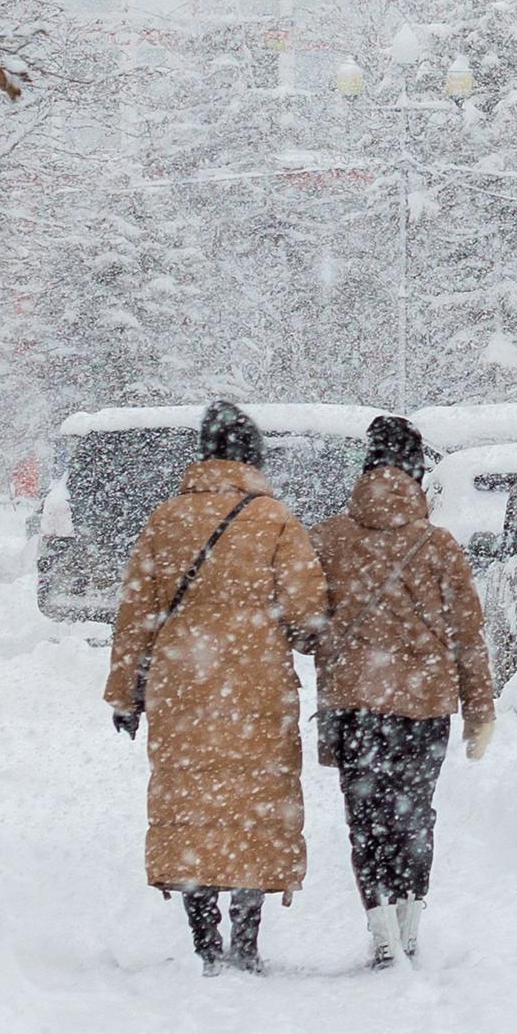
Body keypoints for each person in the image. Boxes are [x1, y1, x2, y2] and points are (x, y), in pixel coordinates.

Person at [105, 401, 328, 972]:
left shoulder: (166, 520)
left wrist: (125, 692)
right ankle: (247, 939)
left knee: (192, 806)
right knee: (256, 805)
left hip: (182, 685)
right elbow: (306, 614)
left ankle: (204, 939)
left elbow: (136, 614)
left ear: (203, 453)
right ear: (253, 455)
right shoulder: (276, 519)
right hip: (258, 686)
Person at [307, 414, 497, 966]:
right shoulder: (440, 546)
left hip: (354, 706)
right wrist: (480, 709)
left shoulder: (327, 539)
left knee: (366, 820)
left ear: (366, 471)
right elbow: (468, 636)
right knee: (413, 814)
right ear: (417, 475)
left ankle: (381, 929)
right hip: (425, 705)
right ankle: (410, 924)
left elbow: (303, 624)